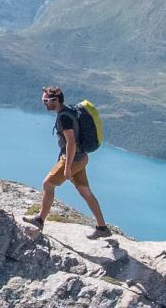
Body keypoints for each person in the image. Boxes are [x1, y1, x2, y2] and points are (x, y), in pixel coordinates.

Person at [36, 84, 112, 235]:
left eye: (46, 101)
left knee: (48, 184)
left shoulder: (64, 117)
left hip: (73, 160)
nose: (44, 103)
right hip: (81, 157)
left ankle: (39, 221)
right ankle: (102, 227)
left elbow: (71, 142)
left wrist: (67, 167)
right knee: (85, 191)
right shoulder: (69, 110)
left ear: (55, 100)